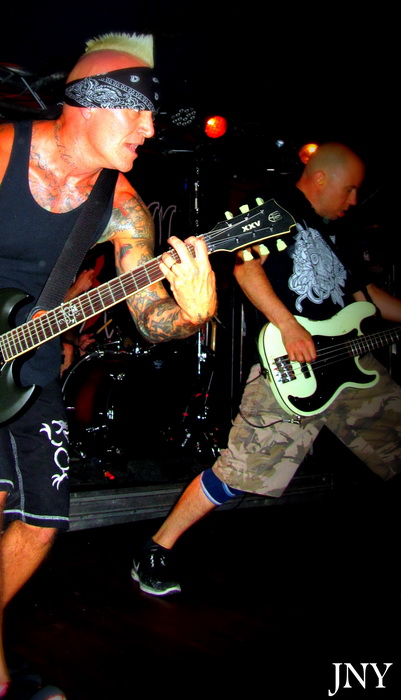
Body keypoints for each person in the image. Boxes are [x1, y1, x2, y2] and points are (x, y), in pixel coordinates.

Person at [0, 33, 217, 700]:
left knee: (41, 522)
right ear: (90, 104)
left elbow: (150, 318)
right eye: (138, 113)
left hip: (26, 357)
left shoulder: (123, 207)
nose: (150, 130)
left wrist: (192, 313)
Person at [131, 142, 401, 596]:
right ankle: (156, 549)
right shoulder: (273, 210)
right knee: (238, 472)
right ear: (322, 178)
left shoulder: (340, 233)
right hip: (289, 366)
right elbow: (246, 270)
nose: (354, 200)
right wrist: (290, 326)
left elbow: (366, 298)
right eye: (350, 189)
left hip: (350, 365)